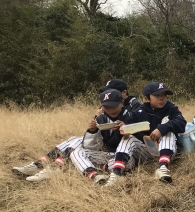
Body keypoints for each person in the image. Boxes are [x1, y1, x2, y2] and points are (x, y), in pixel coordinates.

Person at [12, 78, 140, 182]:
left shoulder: (134, 106)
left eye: (111, 92)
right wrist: (95, 125)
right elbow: (97, 134)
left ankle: (52, 167)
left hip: (126, 149)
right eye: (106, 94)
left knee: (77, 142)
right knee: (75, 141)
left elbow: (137, 131)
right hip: (107, 146)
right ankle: (43, 165)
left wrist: (124, 126)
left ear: (123, 94)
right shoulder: (106, 109)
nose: (108, 96)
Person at [104, 82, 186, 186]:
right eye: (157, 95)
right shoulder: (140, 111)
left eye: (164, 95)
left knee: (167, 131)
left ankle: (162, 167)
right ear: (147, 98)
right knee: (128, 137)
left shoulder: (171, 108)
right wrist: (124, 129)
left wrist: (161, 129)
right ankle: (117, 173)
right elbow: (129, 126)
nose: (162, 98)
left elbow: (182, 123)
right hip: (148, 151)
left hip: (169, 151)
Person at [69, 89, 132, 183]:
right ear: (102, 107)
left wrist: (126, 129)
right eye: (107, 107)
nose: (111, 110)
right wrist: (92, 131)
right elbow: (89, 146)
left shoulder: (131, 116)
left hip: (123, 156)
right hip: (105, 154)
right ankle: (95, 175)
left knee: (123, 164)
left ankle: (105, 167)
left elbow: (137, 142)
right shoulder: (100, 118)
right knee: (76, 152)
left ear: (122, 103)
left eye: (114, 106)